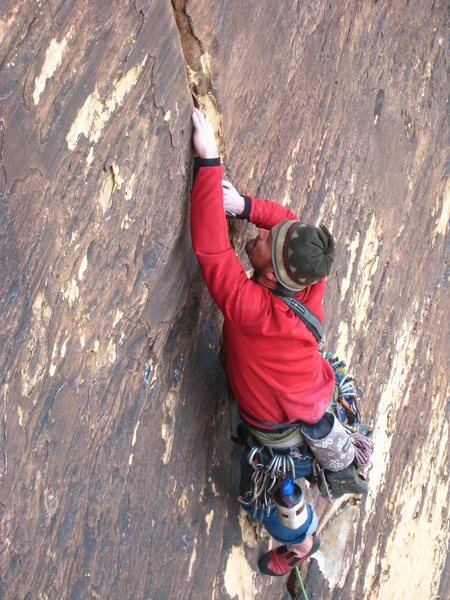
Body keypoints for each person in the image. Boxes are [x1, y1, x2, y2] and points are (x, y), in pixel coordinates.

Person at [190, 108, 336, 577]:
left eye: (264, 239)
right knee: (291, 470)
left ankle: (298, 542)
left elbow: (212, 250)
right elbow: (290, 219)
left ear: (271, 274)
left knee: (261, 491)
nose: (262, 232)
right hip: (305, 395)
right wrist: (245, 205)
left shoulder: (256, 311)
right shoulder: (307, 284)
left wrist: (209, 164)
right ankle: (300, 523)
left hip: (274, 427)